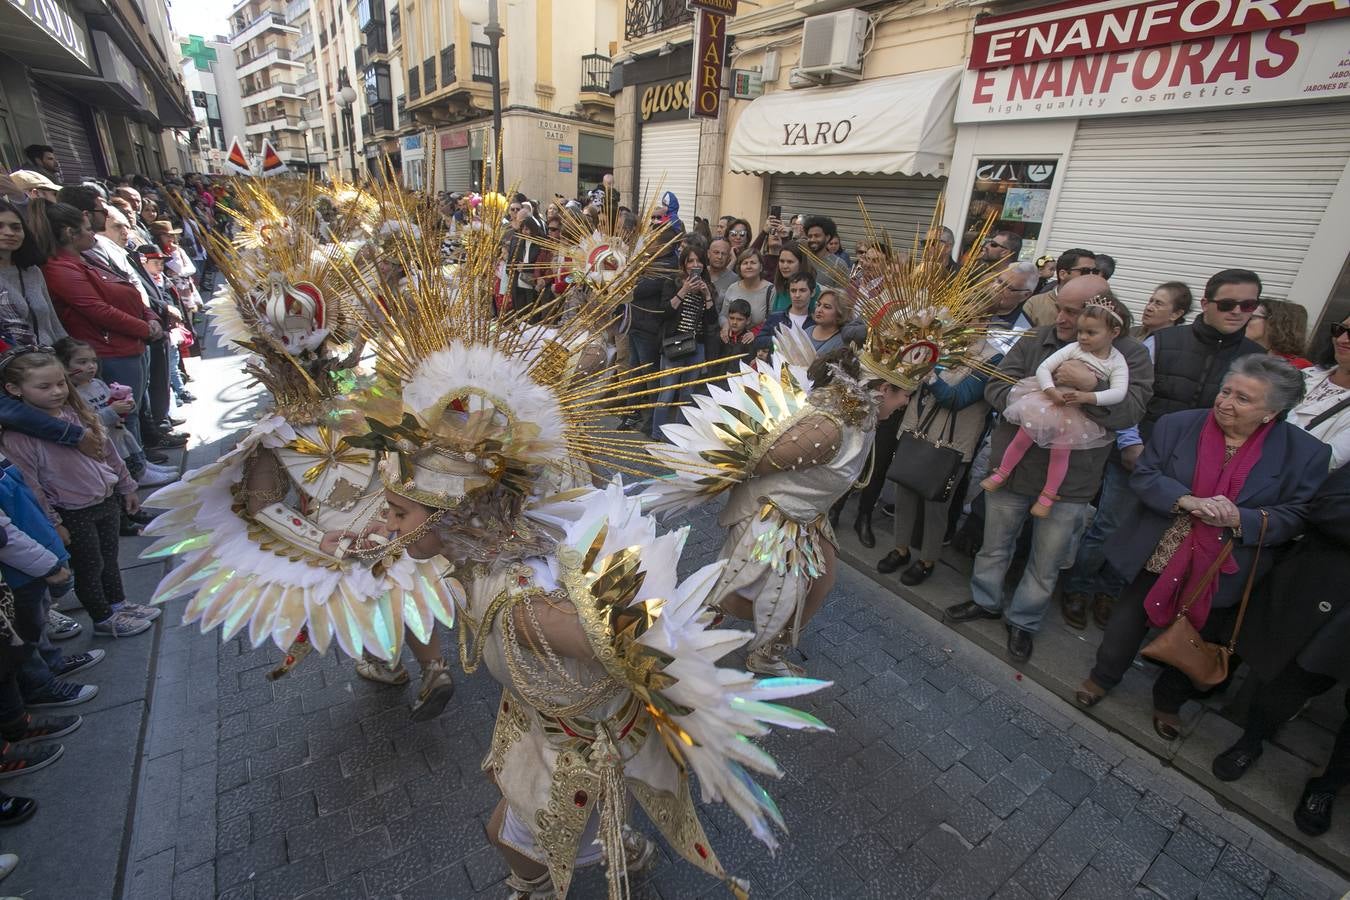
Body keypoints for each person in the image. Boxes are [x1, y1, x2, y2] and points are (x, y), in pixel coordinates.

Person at [1076, 356, 1330, 739]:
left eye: (1243, 399)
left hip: (1224, 564)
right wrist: (1187, 501)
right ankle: (1102, 676)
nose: (1226, 403)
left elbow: (1297, 514)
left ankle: (1168, 702)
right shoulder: (1179, 425)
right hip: (1161, 546)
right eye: (1226, 391)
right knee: (1126, 621)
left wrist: (1239, 518)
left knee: (1198, 634)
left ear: (1272, 412)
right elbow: (1146, 476)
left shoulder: (1305, 453)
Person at [945, 277, 1152, 664]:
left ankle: (1023, 621)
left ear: (1102, 315)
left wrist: (1088, 390)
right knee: (994, 546)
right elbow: (995, 388)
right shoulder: (1036, 340)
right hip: (1013, 469)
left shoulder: (1129, 356)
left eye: (1072, 313)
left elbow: (1131, 411)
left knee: (1046, 560)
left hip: (1070, 483)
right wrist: (1037, 401)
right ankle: (985, 601)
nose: (1061, 318)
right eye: (1059, 307)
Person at [1215, 463, 1350, 836]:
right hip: (1326, 595)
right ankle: (1252, 741)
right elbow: (1326, 505)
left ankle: (1327, 786)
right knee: (1292, 679)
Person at [0, 349, 157, 638]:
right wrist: (53, 522)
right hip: (72, 510)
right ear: (14, 389)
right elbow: (31, 485)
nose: (57, 391)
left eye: (61, 383)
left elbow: (108, 451)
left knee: (110, 558)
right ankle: (103, 618)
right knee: (89, 567)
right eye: (44, 387)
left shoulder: (76, 413)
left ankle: (119, 604)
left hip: (105, 499)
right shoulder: (19, 438)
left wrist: (126, 486)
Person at [28, 201, 164, 452]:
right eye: (88, 229)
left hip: (130, 342)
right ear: (70, 233)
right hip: (108, 349)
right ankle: (135, 463)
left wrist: (150, 316)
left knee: (131, 405)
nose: (93, 234)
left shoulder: (88, 257)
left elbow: (127, 286)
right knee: (120, 411)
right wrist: (145, 327)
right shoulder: (59, 269)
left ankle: (140, 458)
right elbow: (99, 310)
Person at [981, 298, 1130, 517]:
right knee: (1023, 437)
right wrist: (1049, 389)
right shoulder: (1074, 348)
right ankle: (1002, 472)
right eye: (1081, 331)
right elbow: (1044, 368)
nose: (1083, 337)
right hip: (1048, 400)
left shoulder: (1117, 361)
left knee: (1061, 453)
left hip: (1077, 411)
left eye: (1091, 333)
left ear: (1114, 332)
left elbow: (1119, 392)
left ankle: (1048, 496)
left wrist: (1089, 395)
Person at [879, 338, 1003, 585]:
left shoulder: (992, 358)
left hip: (950, 445)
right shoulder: (939, 341)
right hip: (915, 432)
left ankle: (927, 560)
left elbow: (958, 398)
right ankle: (900, 549)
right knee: (904, 494)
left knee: (936, 506)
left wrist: (929, 370)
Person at [56, 337, 175, 489]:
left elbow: (111, 402)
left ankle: (143, 466)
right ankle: (138, 476)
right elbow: (87, 421)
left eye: (93, 361)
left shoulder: (97, 384)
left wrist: (127, 405)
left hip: (118, 430)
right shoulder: (73, 395)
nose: (91, 366)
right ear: (64, 366)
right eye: (82, 362)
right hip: (105, 438)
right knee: (123, 458)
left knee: (132, 449)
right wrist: (112, 411)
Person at [651, 245, 718, 436]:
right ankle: (657, 435)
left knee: (687, 394)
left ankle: (679, 435)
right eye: (690, 261)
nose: (695, 265)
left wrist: (706, 295)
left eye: (698, 261)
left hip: (697, 346)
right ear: (684, 264)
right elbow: (664, 312)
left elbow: (712, 320)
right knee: (667, 392)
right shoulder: (673, 283)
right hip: (674, 343)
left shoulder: (709, 287)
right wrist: (684, 290)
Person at [1288, 314, 1350, 470]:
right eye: (1340, 329)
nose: (1342, 339)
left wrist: (1279, 409)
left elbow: (1328, 461)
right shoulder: (1306, 373)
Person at [0, 199, 66, 347]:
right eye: (0, 226)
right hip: (13, 365)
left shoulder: (32, 271)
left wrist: (69, 353)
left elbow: (54, 323)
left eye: (16, 227)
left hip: (51, 358)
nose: (9, 233)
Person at [1024, 247, 1097, 327]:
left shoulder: (1096, 306)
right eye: (1085, 271)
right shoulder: (1035, 304)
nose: (1091, 276)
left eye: (1095, 272)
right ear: (1063, 274)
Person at [719, 248, 773, 333]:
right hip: (734, 341)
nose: (748, 266)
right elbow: (723, 315)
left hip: (759, 342)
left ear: (761, 267)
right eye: (745, 263)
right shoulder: (732, 288)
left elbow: (773, 320)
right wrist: (726, 325)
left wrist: (755, 333)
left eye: (753, 263)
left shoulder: (770, 290)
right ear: (740, 267)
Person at [1247, 299, 1311, 368]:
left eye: (1251, 318)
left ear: (1274, 324)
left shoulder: (1298, 367)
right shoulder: (1246, 353)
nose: (1243, 321)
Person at [801, 215, 848, 288]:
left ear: (827, 237)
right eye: (810, 236)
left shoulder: (839, 265)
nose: (812, 239)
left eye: (817, 236)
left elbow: (843, 295)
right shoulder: (802, 259)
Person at [769, 244, 817, 314]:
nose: (784, 266)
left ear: (801, 263)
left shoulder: (814, 289)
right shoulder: (780, 288)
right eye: (782, 261)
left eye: (790, 262)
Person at [804, 288, 851, 354]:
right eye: (818, 305)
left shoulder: (841, 343)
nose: (819, 310)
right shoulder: (808, 331)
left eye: (826, 307)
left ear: (839, 314)